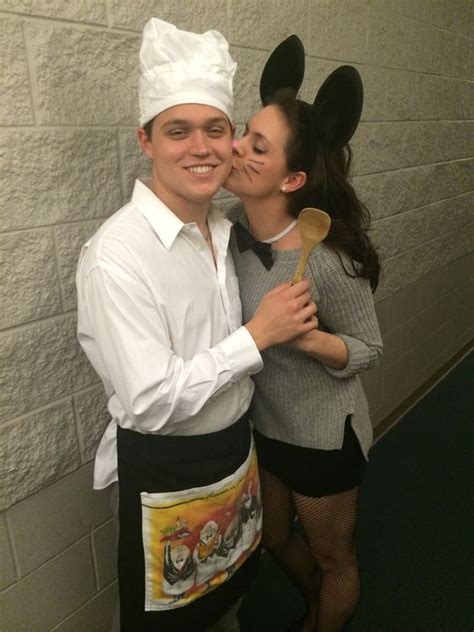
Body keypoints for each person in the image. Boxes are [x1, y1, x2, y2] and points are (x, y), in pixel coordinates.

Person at [76, 20, 316, 632]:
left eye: (215, 129)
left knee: (228, 598)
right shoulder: (117, 256)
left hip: (233, 455)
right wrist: (256, 336)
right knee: (169, 621)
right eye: (177, 131)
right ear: (146, 140)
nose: (201, 148)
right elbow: (152, 400)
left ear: (233, 139)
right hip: (169, 468)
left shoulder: (223, 230)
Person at [225, 35, 383, 632]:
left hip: (323, 435)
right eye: (244, 132)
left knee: (334, 555)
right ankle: (319, 600)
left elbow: (370, 349)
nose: (236, 147)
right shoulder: (231, 235)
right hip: (266, 426)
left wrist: (304, 337)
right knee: (270, 537)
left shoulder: (328, 259)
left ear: (292, 180)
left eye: (256, 145)